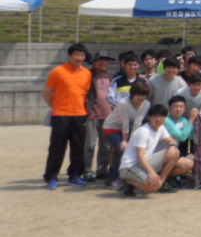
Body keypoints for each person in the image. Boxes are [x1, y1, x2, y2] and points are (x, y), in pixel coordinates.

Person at [42, 43, 93, 189]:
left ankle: (75, 175)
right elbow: (46, 92)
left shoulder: (87, 73)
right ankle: (52, 177)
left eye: (82, 55)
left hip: (80, 114)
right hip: (61, 114)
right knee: (57, 147)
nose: (79, 58)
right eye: (76, 54)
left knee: (78, 147)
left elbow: (85, 93)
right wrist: (54, 106)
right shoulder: (58, 71)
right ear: (70, 55)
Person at [118, 104, 193, 196]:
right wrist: (152, 173)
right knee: (153, 187)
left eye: (161, 116)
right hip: (130, 166)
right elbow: (140, 156)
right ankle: (128, 182)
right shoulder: (143, 132)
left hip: (147, 162)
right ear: (149, 117)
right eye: (155, 116)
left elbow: (172, 141)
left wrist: (172, 146)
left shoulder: (160, 128)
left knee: (175, 152)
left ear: (165, 118)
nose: (158, 119)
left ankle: (161, 181)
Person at [102, 80, 152, 190]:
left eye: (144, 95)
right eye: (138, 95)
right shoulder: (123, 103)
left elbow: (137, 122)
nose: (141, 97)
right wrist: (125, 141)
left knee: (131, 150)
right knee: (123, 150)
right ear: (132, 94)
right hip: (112, 127)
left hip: (129, 129)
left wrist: (133, 140)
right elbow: (125, 122)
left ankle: (120, 175)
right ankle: (116, 178)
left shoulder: (146, 104)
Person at [84, 52, 115, 183]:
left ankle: (102, 169)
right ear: (94, 62)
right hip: (92, 115)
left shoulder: (111, 76)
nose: (102, 63)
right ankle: (87, 170)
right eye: (99, 60)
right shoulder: (89, 76)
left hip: (108, 116)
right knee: (90, 144)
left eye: (105, 60)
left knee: (105, 145)